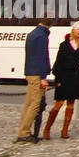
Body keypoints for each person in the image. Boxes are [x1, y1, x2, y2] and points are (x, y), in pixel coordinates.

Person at [44, 22, 79, 140]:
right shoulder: (64, 45)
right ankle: (47, 128)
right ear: (73, 30)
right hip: (64, 76)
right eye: (78, 29)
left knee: (71, 104)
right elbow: (58, 62)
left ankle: (64, 130)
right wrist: (57, 79)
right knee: (58, 104)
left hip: (75, 77)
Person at [16, 15, 52, 143]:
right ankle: (24, 133)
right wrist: (43, 77)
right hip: (37, 74)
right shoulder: (42, 36)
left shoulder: (33, 34)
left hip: (30, 71)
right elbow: (42, 57)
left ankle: (23, 130)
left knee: (28, 103)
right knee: (35, 104)